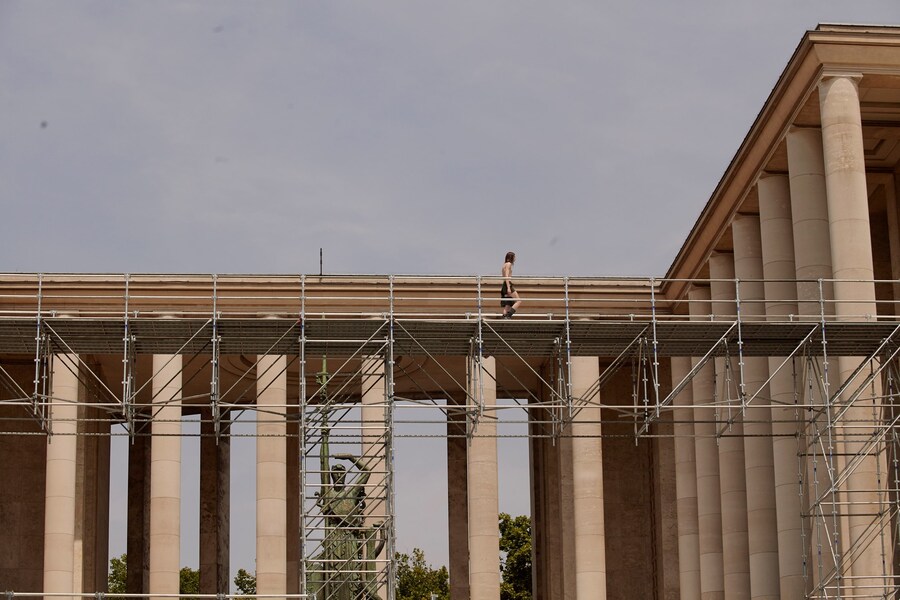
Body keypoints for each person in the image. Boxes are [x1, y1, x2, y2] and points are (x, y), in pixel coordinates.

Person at [501, 251, 522, 318]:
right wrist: (508, 287)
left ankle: (504, 317)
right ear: (511, 257)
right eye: (514, 257)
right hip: (507, 284)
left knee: (508, 304)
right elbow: (506, 276)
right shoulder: (508, 264)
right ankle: (508, 316)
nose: (515, 258)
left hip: (504, 284)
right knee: (518, 301)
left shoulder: (504, 264)